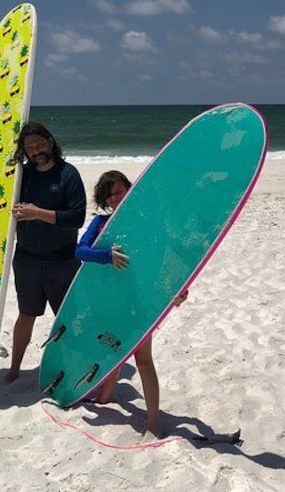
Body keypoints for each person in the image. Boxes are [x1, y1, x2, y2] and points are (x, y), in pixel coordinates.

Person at [75, 169, 186, 437]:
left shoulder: (146, 224)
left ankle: (152, 423)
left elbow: (168, 258)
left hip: (141, 300)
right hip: (112, 300)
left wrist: (182, 289)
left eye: (119, 191)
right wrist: (106, 255)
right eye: (109, 195)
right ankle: (104, 399)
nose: (115, 198)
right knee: (113, 349)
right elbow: (80, 250)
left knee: (143, 359)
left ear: (130, 189)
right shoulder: (101, 223)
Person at [5, 122, 86, 383]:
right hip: (26, 257)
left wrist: (37, 213)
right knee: (26, 314)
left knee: (65, 318)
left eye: (39, 144)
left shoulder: (68, 174)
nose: (35, 151)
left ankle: (72, 365)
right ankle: (14, 368)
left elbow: (77, 217)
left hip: (62, 259)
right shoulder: (22, 175)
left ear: (50, 142)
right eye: (29, 148)